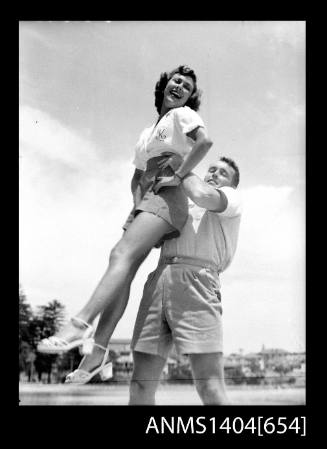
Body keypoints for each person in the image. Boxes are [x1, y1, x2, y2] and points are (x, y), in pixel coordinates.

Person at [37, 65, 213, 372]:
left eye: (186, 87)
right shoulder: (148, 133)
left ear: (189, 97)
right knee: (124, 270)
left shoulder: (181, 115)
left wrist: (179, 176)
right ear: (165, 84)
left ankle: (80, 324)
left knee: (119, 254)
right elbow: (137, 176)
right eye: (177, 80)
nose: (180, 87)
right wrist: (136, 206)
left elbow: (204, 143)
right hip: (147, 200)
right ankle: (98, 354)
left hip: (168, 197)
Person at [128, 157, 242, 405]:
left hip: (198, 282)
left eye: (223, 173)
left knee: (210, 387)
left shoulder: (230, 198)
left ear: (232, 184)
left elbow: (202, 194)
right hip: (159, 278)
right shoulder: (181, 200)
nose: (214, 174)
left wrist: (180, 164)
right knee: (139, 385)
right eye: (211, 168)